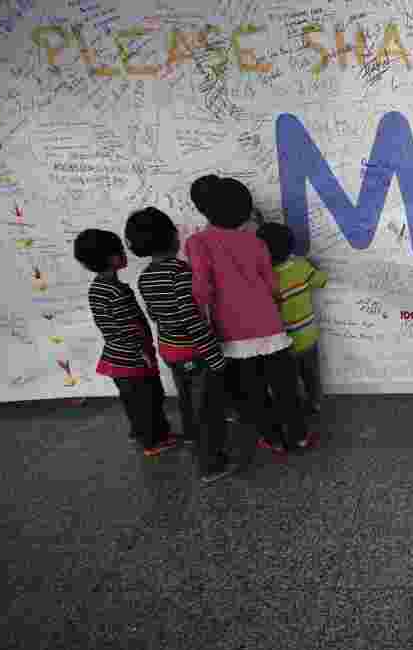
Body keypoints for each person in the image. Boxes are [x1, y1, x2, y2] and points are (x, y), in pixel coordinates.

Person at [185, 175, 318, 463]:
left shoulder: (197, 243)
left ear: (205, 210)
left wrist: (204, 323)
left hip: (233, 335)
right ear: (245, 212)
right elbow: (271, 285)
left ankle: (272, 438)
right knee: (286, 388)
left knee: (254, 392)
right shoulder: (255, 242)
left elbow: (202, 289)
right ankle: (299, 434)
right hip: (271, 328)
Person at [125, 207, 236, 485]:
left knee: (187, 400)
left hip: (170, 350)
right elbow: (192, 318)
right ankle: (211, 464)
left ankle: (191, 438)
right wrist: (214, 355)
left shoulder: (145, 277)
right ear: (173, 237)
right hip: (194, 351)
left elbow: (154, 315)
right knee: (208, 407)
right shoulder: (180, 272)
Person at [73, 229, 181, 457]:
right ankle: (152, 442)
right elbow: (128, 327)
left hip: (116, 359)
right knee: (147, 401)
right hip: (132, 361)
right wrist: (142, 352)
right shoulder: (116, 291)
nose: (124, 253)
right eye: (120, 250)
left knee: (136, 401)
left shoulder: (97, 289)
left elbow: (110, 327)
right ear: (112, 258)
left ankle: (147, 433)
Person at [256, 222, 328, 415]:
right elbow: (321, 281)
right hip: (307, 337)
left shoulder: (261, 277)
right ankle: (315, 402)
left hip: (282, 341)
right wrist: (314, 266)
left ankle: (293, 408)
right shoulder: (301, 267)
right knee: (311, 374)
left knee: (288, 380)